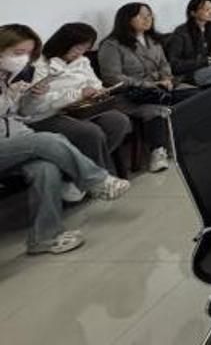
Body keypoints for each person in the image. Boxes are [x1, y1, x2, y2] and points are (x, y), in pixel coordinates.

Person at [1, 24, 130, 255]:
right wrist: (9, 96)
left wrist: (29, 95)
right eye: (17, 53)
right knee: (48, 140)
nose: (23, 60)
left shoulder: (9, 77)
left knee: (45, 168)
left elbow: (23, 111)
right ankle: (95, 180)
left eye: (27, 54)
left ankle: (44, 238)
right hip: (15, 138)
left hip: (15, 139)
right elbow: (22, 115)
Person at [98, 2, 197, 173]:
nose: (147, 19)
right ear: (126, 19)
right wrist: (148, 84)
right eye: (141, 16)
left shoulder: (153, 40)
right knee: (156, 110)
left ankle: (188, 140)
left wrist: (166, 78)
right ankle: (157, 152)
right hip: (130, 95)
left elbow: (164, 64)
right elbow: (112, 77)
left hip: (160, 89)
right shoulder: (111, 45)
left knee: (195, 94)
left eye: (149, 15)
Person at [21, 23, 132, 174]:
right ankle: (99, 175)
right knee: (91, 133)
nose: (80, 53)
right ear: (64, 43)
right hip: (48, 115)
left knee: (119, 121)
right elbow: (35, 104)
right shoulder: (39, 64)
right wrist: (78, 94)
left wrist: (97, 91)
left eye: (85, 48)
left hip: (82, 109)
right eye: (77, 48)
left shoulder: (82, 61)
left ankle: (84, 169)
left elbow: (95, 83)